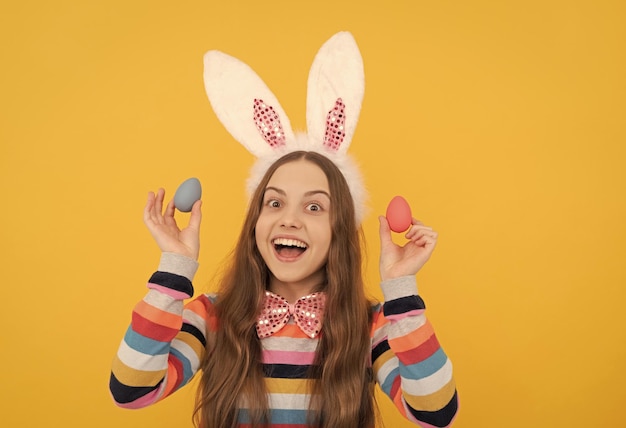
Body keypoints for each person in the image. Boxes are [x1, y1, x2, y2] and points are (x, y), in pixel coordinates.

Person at [110, 32, 458, 428]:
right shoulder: (213, 316)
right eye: (274, 202)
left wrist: (401, 288)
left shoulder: (370, 326)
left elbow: (435, 411)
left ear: (339, 230)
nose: (289, 219)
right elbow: (132, 389)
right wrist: (175, 266)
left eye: (314, 206)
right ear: (255, 222)